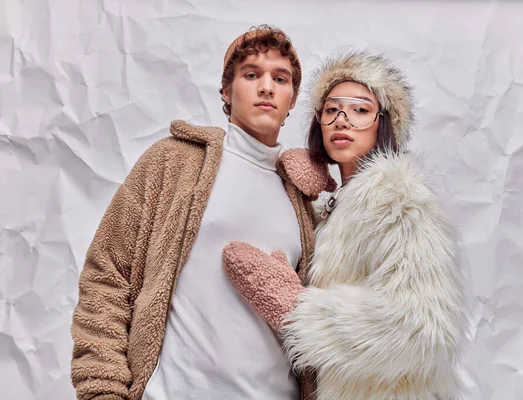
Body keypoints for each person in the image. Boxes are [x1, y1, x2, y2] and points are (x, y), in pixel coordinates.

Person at [70, 25, 333, 400]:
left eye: (281, 78)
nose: (266, 87)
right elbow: (108, 274)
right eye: (251, 74)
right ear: (226, 91)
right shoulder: (173, 163)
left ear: (292, 100)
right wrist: (103, 389)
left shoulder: (301, 201)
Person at [223, 51, 468, 399]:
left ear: (383, 123)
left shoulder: (397, 196)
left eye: (360, 110)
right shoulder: (335, 206)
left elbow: (426, 328)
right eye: (331, 109)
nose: (342, 120)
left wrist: (296, 310)